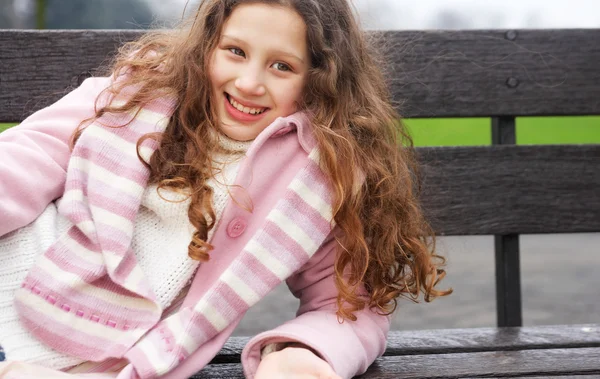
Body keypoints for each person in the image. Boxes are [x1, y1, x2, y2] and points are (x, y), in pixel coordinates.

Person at [0, 0, 451, 378]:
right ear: (206, 48)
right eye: (235, 51)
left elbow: (350, 305)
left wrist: (303, 353)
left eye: (281, 65)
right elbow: (20, 164)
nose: (250, 83)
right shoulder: (126, 97)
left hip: (99, 361)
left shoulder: (314, 181)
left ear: (318, 79)